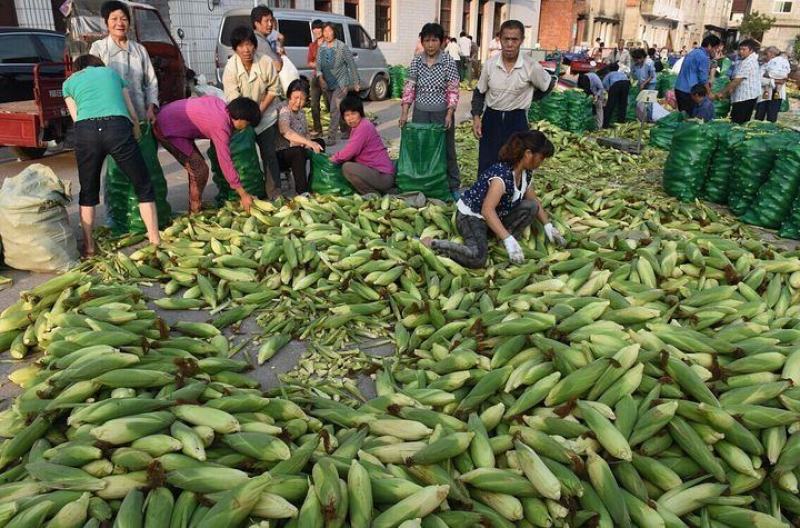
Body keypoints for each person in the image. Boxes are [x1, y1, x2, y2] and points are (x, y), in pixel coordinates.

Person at [63, 55, 160, 256]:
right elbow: (131, 110)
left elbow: (76, 117)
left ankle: (89, 246)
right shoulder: (112, 74)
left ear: (77, 68)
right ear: (98, 64)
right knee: (142, 185)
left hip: (86, 131)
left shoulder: (68, 83)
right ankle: (155, 240)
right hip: (117, 128)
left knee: (88, 191)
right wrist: (136, 131)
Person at [424, 130, 565, 268]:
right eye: (541, 157)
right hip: (472, 217)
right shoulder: (501, 177)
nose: (542, 162)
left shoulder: (525, 173)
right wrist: (508, 239)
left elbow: (534, 202)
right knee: (478, 258)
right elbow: (487, 210)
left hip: (495, 216)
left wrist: (548, 226)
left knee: (531, 208)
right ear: (528, 154)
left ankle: (500, 239)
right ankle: (434, 244)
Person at [471, 20, 554, 175]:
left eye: (514, 40)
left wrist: (531, 97)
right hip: (491, 118)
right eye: (506, 39)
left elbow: (548, 85)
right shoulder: (490, 64)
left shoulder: (531, 66)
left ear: (521, 41)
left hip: (517, 119)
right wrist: (476, 117)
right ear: (499, 40)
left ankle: (512, 197)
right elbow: (479, 92)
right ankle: (485, 196)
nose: (509, 44)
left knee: (515, 164)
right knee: (487, 162)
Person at [154, 96, 260, 214]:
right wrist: (243, 194)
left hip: (170, 118)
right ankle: (194, 211)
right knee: (199, 170)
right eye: (248, 124)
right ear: (241, 119)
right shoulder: (220, 125)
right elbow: (225, 161)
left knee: (198, 166)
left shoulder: (220, 105)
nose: (246, 128)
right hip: (166, 127)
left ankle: (196, 204)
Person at [400, 23, 461, 195]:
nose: (430, 44)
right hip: (421, 112)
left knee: (447, 149)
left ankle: (453, 185)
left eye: (434, 40)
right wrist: (405, 113)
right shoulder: (417, 61)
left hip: (442, 113)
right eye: (427, 40)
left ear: (441, 42)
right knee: (423, 148)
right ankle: (424, 183)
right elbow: (409, 87)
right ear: (422, 41)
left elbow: (453, 89)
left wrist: (450, 113)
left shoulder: (448, 61)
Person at [222, 26, 282, 199]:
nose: (246, 50)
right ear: (235, 49)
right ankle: (248, 192)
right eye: (240, 46)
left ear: (254, 45)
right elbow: (234, 100)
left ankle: (274, 192)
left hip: (265, 117)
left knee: (269, 155)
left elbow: (274, 88)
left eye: (249, 44)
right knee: (244, 158)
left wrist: (259, 111)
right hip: (242, 119)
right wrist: (249, 116)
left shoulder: (265, 61)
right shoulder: (230, 68)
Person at [89, 0, 158, 124]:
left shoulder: (139, 50)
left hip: (140, 114)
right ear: (106, 23)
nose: (119, 23)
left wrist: (151, 108)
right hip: (112, 118)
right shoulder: (98, 48)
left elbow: (151, 82)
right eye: (114, 19)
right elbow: (94, 83)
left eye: (124, 19)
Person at [330, 95, 395, 194]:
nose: (350, 118)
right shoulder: (359, 126)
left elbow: (349, 152)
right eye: (347, 115)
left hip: (383, 176)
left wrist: (333, 158)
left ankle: (373, 194)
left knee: (347, 167)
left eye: (353, 114)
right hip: (376, 172)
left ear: (360, 113)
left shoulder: (363, 127)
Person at [276, 79, 325, 195]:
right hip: (281, 154)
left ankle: (315, 180)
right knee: (298, 152)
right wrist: (308, 143)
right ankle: (302, 191)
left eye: (302, 99)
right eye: (295, 98)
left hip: (298, 148)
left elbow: (306, 133)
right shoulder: (284, 111)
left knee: (320, 142)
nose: (298, 102)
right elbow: (285, 131)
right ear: (289, 97)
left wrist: (310, 142)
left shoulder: (301, 113)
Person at [318, 22, 360, 143]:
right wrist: (320, 77)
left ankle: (331, 137)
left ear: (334, 32)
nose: (327, 34)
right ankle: (347, 130)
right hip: (328, 83)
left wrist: (356, 81)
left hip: (341, 83)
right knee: (339, 109)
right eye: (325, 31)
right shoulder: (322, 47)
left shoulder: (342, 47)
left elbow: (351, 64)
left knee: (334, 109)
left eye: (329, 31)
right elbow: (318, 65)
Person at [713, 39, 761, 124]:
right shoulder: (742, 60)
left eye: (744, 50)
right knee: (737, 119)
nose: (741, 51)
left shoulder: (749, 62)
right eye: (740, 49)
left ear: (751, 50)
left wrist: (722, 93)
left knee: (738, 122)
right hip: (742, 96)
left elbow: (736, 81)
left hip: (746, 97)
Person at [674, 35, 723, 113]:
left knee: (682, 115)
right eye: (716, 48)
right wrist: (709, 93)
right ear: (710, 46)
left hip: (679, 88)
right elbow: (703, 79)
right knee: (689, 119)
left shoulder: (693, 52)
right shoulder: (703, 57)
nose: (716, 51)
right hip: (690, 92)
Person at [755, 46, 790, 122]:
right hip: (764, 93)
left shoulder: (781, 64)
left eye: (766, 54)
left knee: (772, 116)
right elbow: (760, 80)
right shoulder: (764, 66)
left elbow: (785, 76)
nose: (764, 56)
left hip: (776, 94)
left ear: (772, 54)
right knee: (759, 115)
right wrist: (776, 81)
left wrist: (770, 78)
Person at [306, 19, 328, 138]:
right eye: (314, 29)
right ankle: (318, 129)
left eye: (319, 28)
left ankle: (345, 128)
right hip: (316, 78)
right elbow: (309, 62)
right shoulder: (312, 45)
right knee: (314, 104)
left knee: (331, 105)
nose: (317, 31)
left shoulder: (329, 43)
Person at [250, 5, 282, 72]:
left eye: (271, 21)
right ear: (257, 24)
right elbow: (278, 67)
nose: (270, 24)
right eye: (266, 21)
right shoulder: (260, 42)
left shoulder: (253, 38)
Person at [602, 63, 630, 127]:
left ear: (609, 69)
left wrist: (609, 91)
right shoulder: (622, 74)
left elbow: (604, 84)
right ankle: (621, 122)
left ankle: (605, 124)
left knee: (610, 105)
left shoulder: (609, 74)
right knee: (623, 104)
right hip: (626, 84)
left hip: (616, 85)